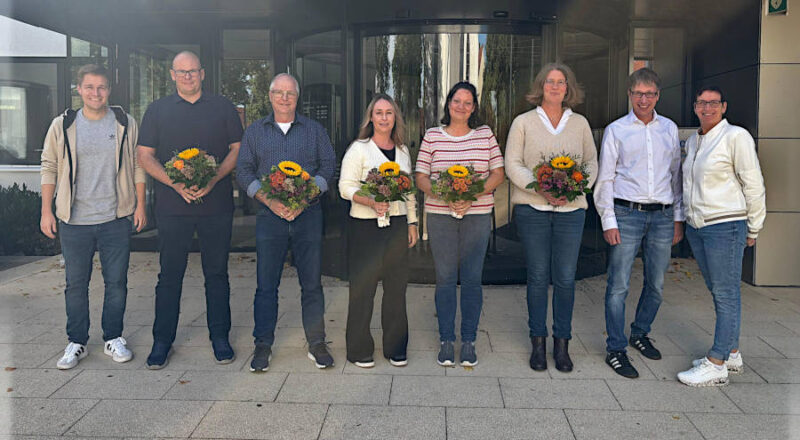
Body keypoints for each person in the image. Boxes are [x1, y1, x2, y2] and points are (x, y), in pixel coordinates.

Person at [137, 51, 243, 369]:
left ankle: (220, 338)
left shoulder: (222, 107)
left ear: (203, 73)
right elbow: (144, 155)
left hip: (217, 205)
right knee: (170, 275)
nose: (188, 77)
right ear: (172, 75)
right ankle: (162, 341)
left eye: (193, 71)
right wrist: (175, 183)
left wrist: (213, 181)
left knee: (217, 274)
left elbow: (238, 149)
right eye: (182, 72)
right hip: (172, 206)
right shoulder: (157, 110)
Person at [40, 64, 146, 369]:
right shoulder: (62, 125)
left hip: (115, 217)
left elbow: (138, 165)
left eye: (101, 87)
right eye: (89, 87)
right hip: (74, 220)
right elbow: (49, 167)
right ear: (79, 89)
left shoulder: (125, 122)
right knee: (76, 284)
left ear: (108, 90)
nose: (95, 93)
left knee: (117, 283)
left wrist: (140, 204)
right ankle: (77, 342)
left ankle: (113, 337)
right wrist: (47, 210)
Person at [236, 73, 337, 372]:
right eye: (278, 92)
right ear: (270, 96)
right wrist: (270, 201)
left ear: (297, 96)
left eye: (289, 93)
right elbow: (243, 170)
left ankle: (317, 342)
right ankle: (263, 344)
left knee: (312, 283)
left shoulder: (314, 130)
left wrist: (304, 199)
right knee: (266, 285)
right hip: (270, 217)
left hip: (308, 216)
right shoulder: (255, 132)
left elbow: (328, 165)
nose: (284, 98)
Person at [505, 63, 597, 373]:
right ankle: (538, 342)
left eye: (561, 82)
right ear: (540, 86)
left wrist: (573, 189)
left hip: (572, 212)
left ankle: (562, 344)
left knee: (566, 277)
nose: (555, 87)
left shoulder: (580, 123)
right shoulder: (523, 122)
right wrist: (540, 188)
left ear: (568, 88)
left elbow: (591, 163)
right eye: (549, 82)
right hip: (533, 210)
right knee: (538, 275)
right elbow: (512, 164)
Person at [594, 68, 684, 379]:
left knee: (656, 285)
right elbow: (605, 178)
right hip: (626, 214)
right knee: (618, 285)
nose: (643, 99)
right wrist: (608, 220)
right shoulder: (616, 130)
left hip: (661, 215)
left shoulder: (669, 129)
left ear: (658, 95)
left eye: (649, 93)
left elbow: (676, 177)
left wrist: (677, 218)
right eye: (637, 93)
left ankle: (639, 333)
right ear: (629, 95)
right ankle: (616, 348)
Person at [677, 86, 765, 387]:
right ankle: (733, 352)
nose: (707, 108)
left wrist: (754, 226)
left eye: (714, 103)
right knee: (721, 291)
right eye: (702, 103)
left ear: (724, 107)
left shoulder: (736, 137)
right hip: (699, 227)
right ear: (695, 106)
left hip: (725, 225)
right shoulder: (693, 141)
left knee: (726, 294)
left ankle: (717, 363)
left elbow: (753, 183)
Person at [415, 81, 505, 367]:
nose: (462, 107)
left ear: (474, 107)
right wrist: (446, 195)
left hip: (477, 215)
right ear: (448, 103)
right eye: (457, 101)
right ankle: (446, 340)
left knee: (471, 278)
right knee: (443, 277)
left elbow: (498, 173)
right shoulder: (432, 136)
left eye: (468, 102)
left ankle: (468, 340)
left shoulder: (485, 135)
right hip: (440, 215)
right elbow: (421, 177)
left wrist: (470, 195)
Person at [339, 94, 419, 368]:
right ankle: (359, 349)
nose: (384, 117)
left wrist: (412, 222)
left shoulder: (403, 151)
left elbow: (408, 191)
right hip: (365, 227)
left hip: (396, 226)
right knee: (363, 289)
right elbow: (345, 187)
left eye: (389, 113)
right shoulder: (359, 149)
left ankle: (396, 347)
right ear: (370, 117)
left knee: (397, 287)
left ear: (395, 117)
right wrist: (370, 201)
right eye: (378, 112)